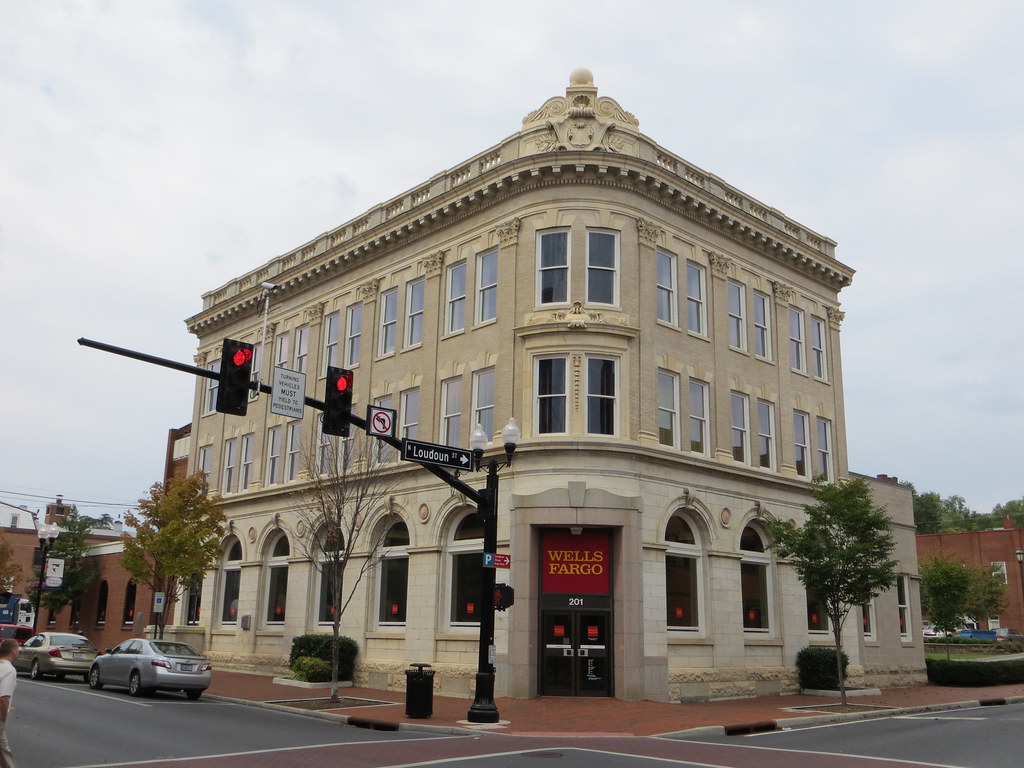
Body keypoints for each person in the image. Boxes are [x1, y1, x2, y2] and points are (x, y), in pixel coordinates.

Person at [0, 638, 18, 768]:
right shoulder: (9, 670)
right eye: (17, 649)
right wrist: (3, 717)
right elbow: (4, 697)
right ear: (13, 651)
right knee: (4, 750)